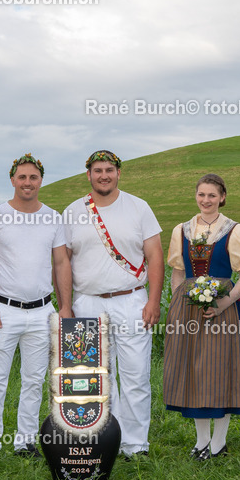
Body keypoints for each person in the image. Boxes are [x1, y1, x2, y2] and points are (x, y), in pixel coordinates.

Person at [63, 150, 163, 459]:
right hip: (87, 303)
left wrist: (154, 302)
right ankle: (99, 439)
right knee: (91, 376)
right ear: (88, 175)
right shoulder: (73, 211)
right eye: (97, 170)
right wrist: (65, 306)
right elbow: (62, 262)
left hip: (132, 300)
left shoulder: (138, 207)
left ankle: (135, 445)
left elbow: (155, 255)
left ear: (118, 173)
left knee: (135, 374)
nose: (103, 175)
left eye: (109, 169)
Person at [0, 154, 72, 461]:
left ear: (40, 180)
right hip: (4, 309)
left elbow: (60, 262)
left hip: (42, 310)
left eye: (33, 177)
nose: (28, 182)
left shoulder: (53, 217)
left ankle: (26, 441)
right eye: (22, 177)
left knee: (35, 378)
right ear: (12, 180)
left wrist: (65, 307)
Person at [162, 173, 240, 460]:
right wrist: (180, 301)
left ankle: (219, 442)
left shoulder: (235, 230)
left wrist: (225, 303)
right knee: (193, 373)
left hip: (221, 310)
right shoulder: (182, 229)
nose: (206, 200)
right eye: (201, 194)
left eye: (212, 195)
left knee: (219, 372)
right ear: (196, 196)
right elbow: (178, 271)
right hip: (188, 310)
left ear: (222, 197)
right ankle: (201, 440)